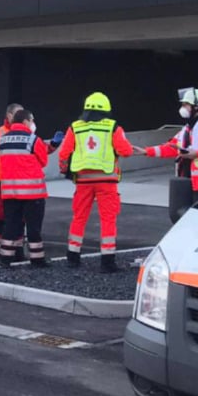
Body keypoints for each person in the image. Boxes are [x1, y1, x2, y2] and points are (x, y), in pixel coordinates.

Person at [57, 92, 135, 273]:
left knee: (79, 217)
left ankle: (73, 256)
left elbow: (64, 153)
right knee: (108, 219)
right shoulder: (113, 127)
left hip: (83, 181)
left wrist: (64, 170)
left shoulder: (75, 127)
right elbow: (126, 151)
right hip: (106, 181)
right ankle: (107, 261)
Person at [136, 88, 198, 195]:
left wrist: (197, 154)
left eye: (185, 104)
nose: (182, 108)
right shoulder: (188, 128)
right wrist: (146, 151)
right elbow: (172, 147)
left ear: (197, 106)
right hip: (190, 181)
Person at [0, 108, 50, 268]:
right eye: (32, 120)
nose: (33, 124)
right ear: (26, 121)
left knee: (11, 226)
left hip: (10, 192)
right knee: (34, 227)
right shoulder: (34, 140)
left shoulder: (3, 140)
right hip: (32, 193)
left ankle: (5, 259)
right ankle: (37, 259)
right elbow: (43, 161)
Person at [0, 103, 24, 263]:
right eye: (17, 114)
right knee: (1, 216)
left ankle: (17, 249)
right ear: (8, 116)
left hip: (20, 182)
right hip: (2, 183)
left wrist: (53, 145)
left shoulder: (23, 132)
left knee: (20, 217)